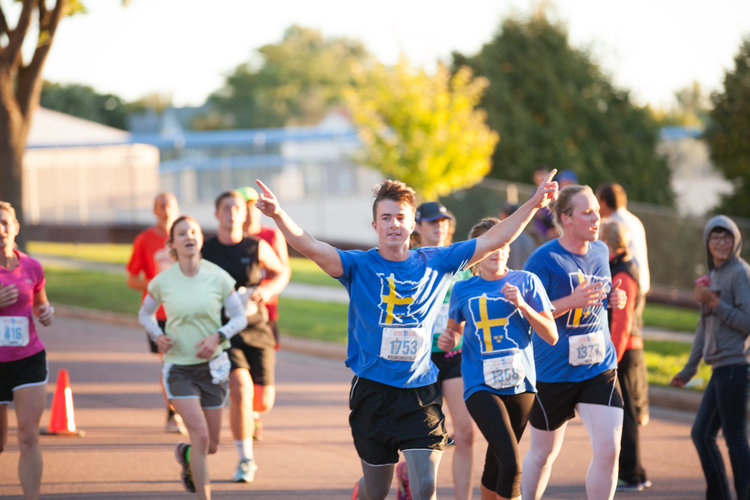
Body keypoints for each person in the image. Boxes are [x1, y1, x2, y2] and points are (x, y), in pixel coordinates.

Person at [254, 172, 558, 500]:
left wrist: (534, 203)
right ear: (374, 226)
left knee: (425, 485)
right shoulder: (358, 265)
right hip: (373, 393)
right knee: (376, 490)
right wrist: (278, 216)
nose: (393, 224)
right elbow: (310, 246)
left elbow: (492, 240)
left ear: (413, 224)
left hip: (420, 393)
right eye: (385, 218)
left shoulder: (438, 261)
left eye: (401, 217)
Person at [437, 217, 558, 500]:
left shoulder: (526, 281)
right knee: (513, 464)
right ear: (477, 254)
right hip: (480, 385)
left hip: (521, 385)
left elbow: (551, 334)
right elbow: (454, 331)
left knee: (497, 462)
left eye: (503, 245)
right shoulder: (463, 289)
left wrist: (523, 305)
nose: (498, 252)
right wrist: (449, 339)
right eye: (491, 247)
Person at [521, 184, 627, 500]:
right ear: (566, 218)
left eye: (596, 209)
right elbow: (528, 313)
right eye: (587, 212)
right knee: (543, 454)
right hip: (553, 372)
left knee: (609, 450)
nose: (597, 217)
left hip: (599, 367)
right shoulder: (544, 259)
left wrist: (614, 298)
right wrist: (571, 300)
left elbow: (601, 296)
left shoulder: (599, 251)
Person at [138, 215, 248, 500]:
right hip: (178, 368)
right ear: (172, 243)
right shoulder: (163, 281)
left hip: (213, 368)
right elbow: (144, 313)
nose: (189, 236)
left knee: (209, 444)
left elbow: (239, 317)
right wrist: (157, 335)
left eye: (194, 232)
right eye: (182, 233)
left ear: (200, 239)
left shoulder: (219, 277)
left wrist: (217, 337)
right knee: (199, 434)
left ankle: (186, 454)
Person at [201, 190, 289, 483]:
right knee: (240, 386)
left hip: (256, 326)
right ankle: (245, 459)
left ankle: (247, 415)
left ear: (244, 213)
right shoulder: (207, 251)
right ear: (217, 214)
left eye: (236, 208)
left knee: (262, 402)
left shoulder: (256, 247)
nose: (231, 213)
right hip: (224, 331)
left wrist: (267, 289)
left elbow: (282, 272)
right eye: (225, 208)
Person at [396, 201, 476, 500]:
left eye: (444, 220)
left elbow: (470, 312)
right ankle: (408, 472)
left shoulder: (462, 264)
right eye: (432, 222)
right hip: (421, 359)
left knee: (466, 433)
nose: (440, 226)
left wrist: (458, 333)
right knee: (425, 437)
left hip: (453, 358)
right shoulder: (409, 261)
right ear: (418, 226)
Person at [670, 215, 750, 500]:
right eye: (715, 237)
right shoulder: (713, 276)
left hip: (737, 365)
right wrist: (689, 369)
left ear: (735, 240)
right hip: (720, 367)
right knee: (702, 435)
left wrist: (714, 301)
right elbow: (704, 328)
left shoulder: (739, 272)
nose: (721, 243)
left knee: (734, 437)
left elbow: (747, 321)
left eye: (726, 237)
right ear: (707, 242)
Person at [0, 200, 55, 500]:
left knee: (28, 435)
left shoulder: (32, 266)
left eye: (5, 223)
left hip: (28, 358)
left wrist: (46, 312)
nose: (0, 229)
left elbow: (40, 303)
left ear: (15, 228)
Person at [126, 192, 185, 433]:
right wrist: (154, 284)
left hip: (187, 310)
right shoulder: (145, 240)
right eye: (161, 206)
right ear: (154, 211)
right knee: (169, 362)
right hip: (159, 313)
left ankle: (188, 406)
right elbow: (132, 279)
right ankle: (172, 411)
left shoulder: (187, 235)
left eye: (170, 205)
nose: (165, 210)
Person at [599, 220, 651, 492]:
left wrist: (612, 359)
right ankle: (634, 472)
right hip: (627, 348)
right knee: (625, 411)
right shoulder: (622, 267)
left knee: (626, 413)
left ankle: (632, 474)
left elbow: (621, 322)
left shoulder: (622, 273)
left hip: (625, 351)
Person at [597, 182, 651, 426]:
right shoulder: (634, 220)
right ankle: (640, 407)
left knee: (628, 335)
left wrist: (612, 359)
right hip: (638, 284)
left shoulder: (615, 227)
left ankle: (637, 408)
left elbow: (621, 323)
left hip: (628, 286)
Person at [236, 186, 290, 352]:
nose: (249, 212)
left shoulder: (272, 235)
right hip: (235, 308)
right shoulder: (231, 239)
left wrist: (267, 290)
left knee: (263, 360)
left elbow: (284, 271)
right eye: (244, 207)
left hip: (264, 306)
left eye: (253, 206)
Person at [499, 203, 537, 270]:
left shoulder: (500, 240)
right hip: (523, 278)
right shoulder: (529, 240)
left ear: (504, 216)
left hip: (505, 278)